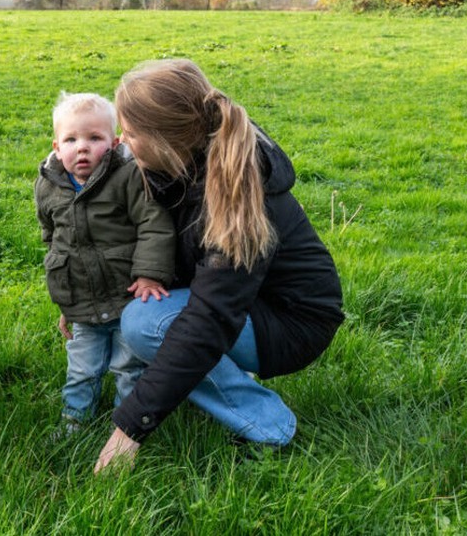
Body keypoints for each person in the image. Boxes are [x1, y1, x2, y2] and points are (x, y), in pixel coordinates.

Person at [93, 59, 345, 473]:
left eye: (132, 134)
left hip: (292, 324)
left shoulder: (237, 192)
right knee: (145, 309)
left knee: (146, 323)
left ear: (165, 140)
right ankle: (214, 385)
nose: (122, 141)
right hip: (249, 306)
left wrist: (129, 429)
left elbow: (210, 318)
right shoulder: (177, 166)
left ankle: (268, 424)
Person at [34, 92, 176, 436]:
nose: (81, 148)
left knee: (130, 367)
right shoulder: (48, 186)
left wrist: (149, 274)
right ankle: (75, 419)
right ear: (56, 145)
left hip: (127, 297)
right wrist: (67, 301)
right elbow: (53, 240)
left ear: (113, 143)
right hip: (83, 300)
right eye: (71, 139)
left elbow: (153, 223)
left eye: (94, 138)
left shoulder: (128, 177)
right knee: (81, 367)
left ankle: (126, 424)